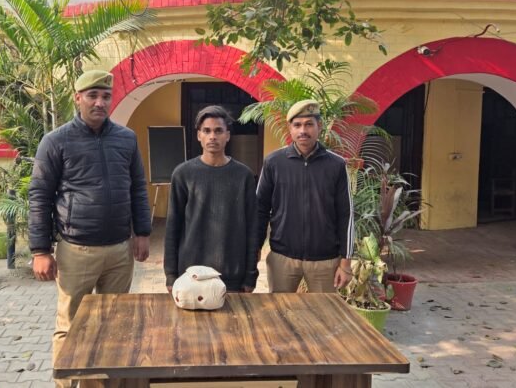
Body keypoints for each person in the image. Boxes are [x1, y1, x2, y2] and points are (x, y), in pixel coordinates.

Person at [28, 69, 152, 387]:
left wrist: (142, 233)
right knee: (71, 326)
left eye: (105, 96)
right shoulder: (56, 141)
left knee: (115, 325)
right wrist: (40, 250)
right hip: (76, 250)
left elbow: (138, 187)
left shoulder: (126, 139)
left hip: (119, 251)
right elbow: (40, 195)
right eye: (92, 95)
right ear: (78, 98)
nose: (99, 102)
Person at [256, 99, 354, 293]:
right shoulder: (274, 163)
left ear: (319, 126)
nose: (303, 130)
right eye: (297, 125)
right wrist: (255, 248)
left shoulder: (336, 165)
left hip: (325, 261)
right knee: (281, 310)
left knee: (324, 312)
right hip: (282, 258)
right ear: (290, 128)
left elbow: (346, 214)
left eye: (309, 124)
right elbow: (260, 209)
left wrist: (346, 262)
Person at [164, 105, 260, 293]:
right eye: (206, 131)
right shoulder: (183, 174)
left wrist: (250, 275)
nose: (212, 136)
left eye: (218, 131)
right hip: (190, 275)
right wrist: (171, 275)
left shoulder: (243, 176)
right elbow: (173, 227)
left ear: (227, 135)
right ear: (199, 135)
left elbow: (252, 229)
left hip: (232, 276)